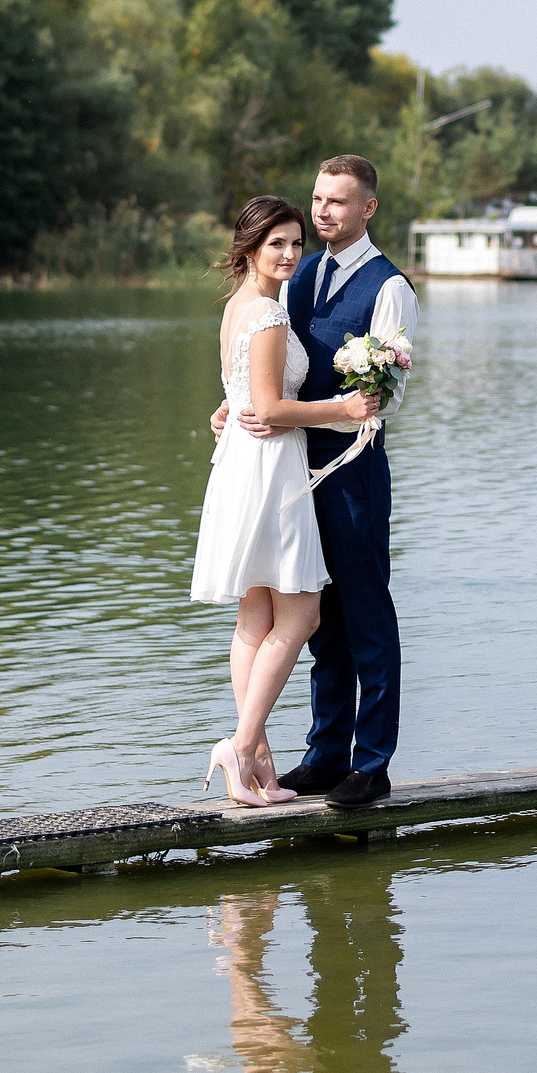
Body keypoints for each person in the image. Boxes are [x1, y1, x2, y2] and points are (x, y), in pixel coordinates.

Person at [214, 155, 417, 809]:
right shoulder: (295, 278)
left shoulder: (390, 287)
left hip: (353, 471)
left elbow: (385, 394)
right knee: (317, 621)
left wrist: (348, 402)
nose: (324, 209)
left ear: (368, 209)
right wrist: (232, 403)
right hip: (288, 472)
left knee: (365, 613)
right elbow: (271, 366)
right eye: (318, 198)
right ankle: (326, 753)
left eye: (338, 200)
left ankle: (372, 761)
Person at [193, 195, 376, 806]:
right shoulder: (268, 316)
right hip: (271, 469)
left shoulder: (238, 308)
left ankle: (256, 756)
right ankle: (243, 746)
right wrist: (345, 409)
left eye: (298, 243)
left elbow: (243, 392)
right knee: (302, 617)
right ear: (250, 247)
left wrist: (227, 410)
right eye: (279, 244)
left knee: (256, 618)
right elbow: (269, 408)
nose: (292, 255)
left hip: (245, 465)